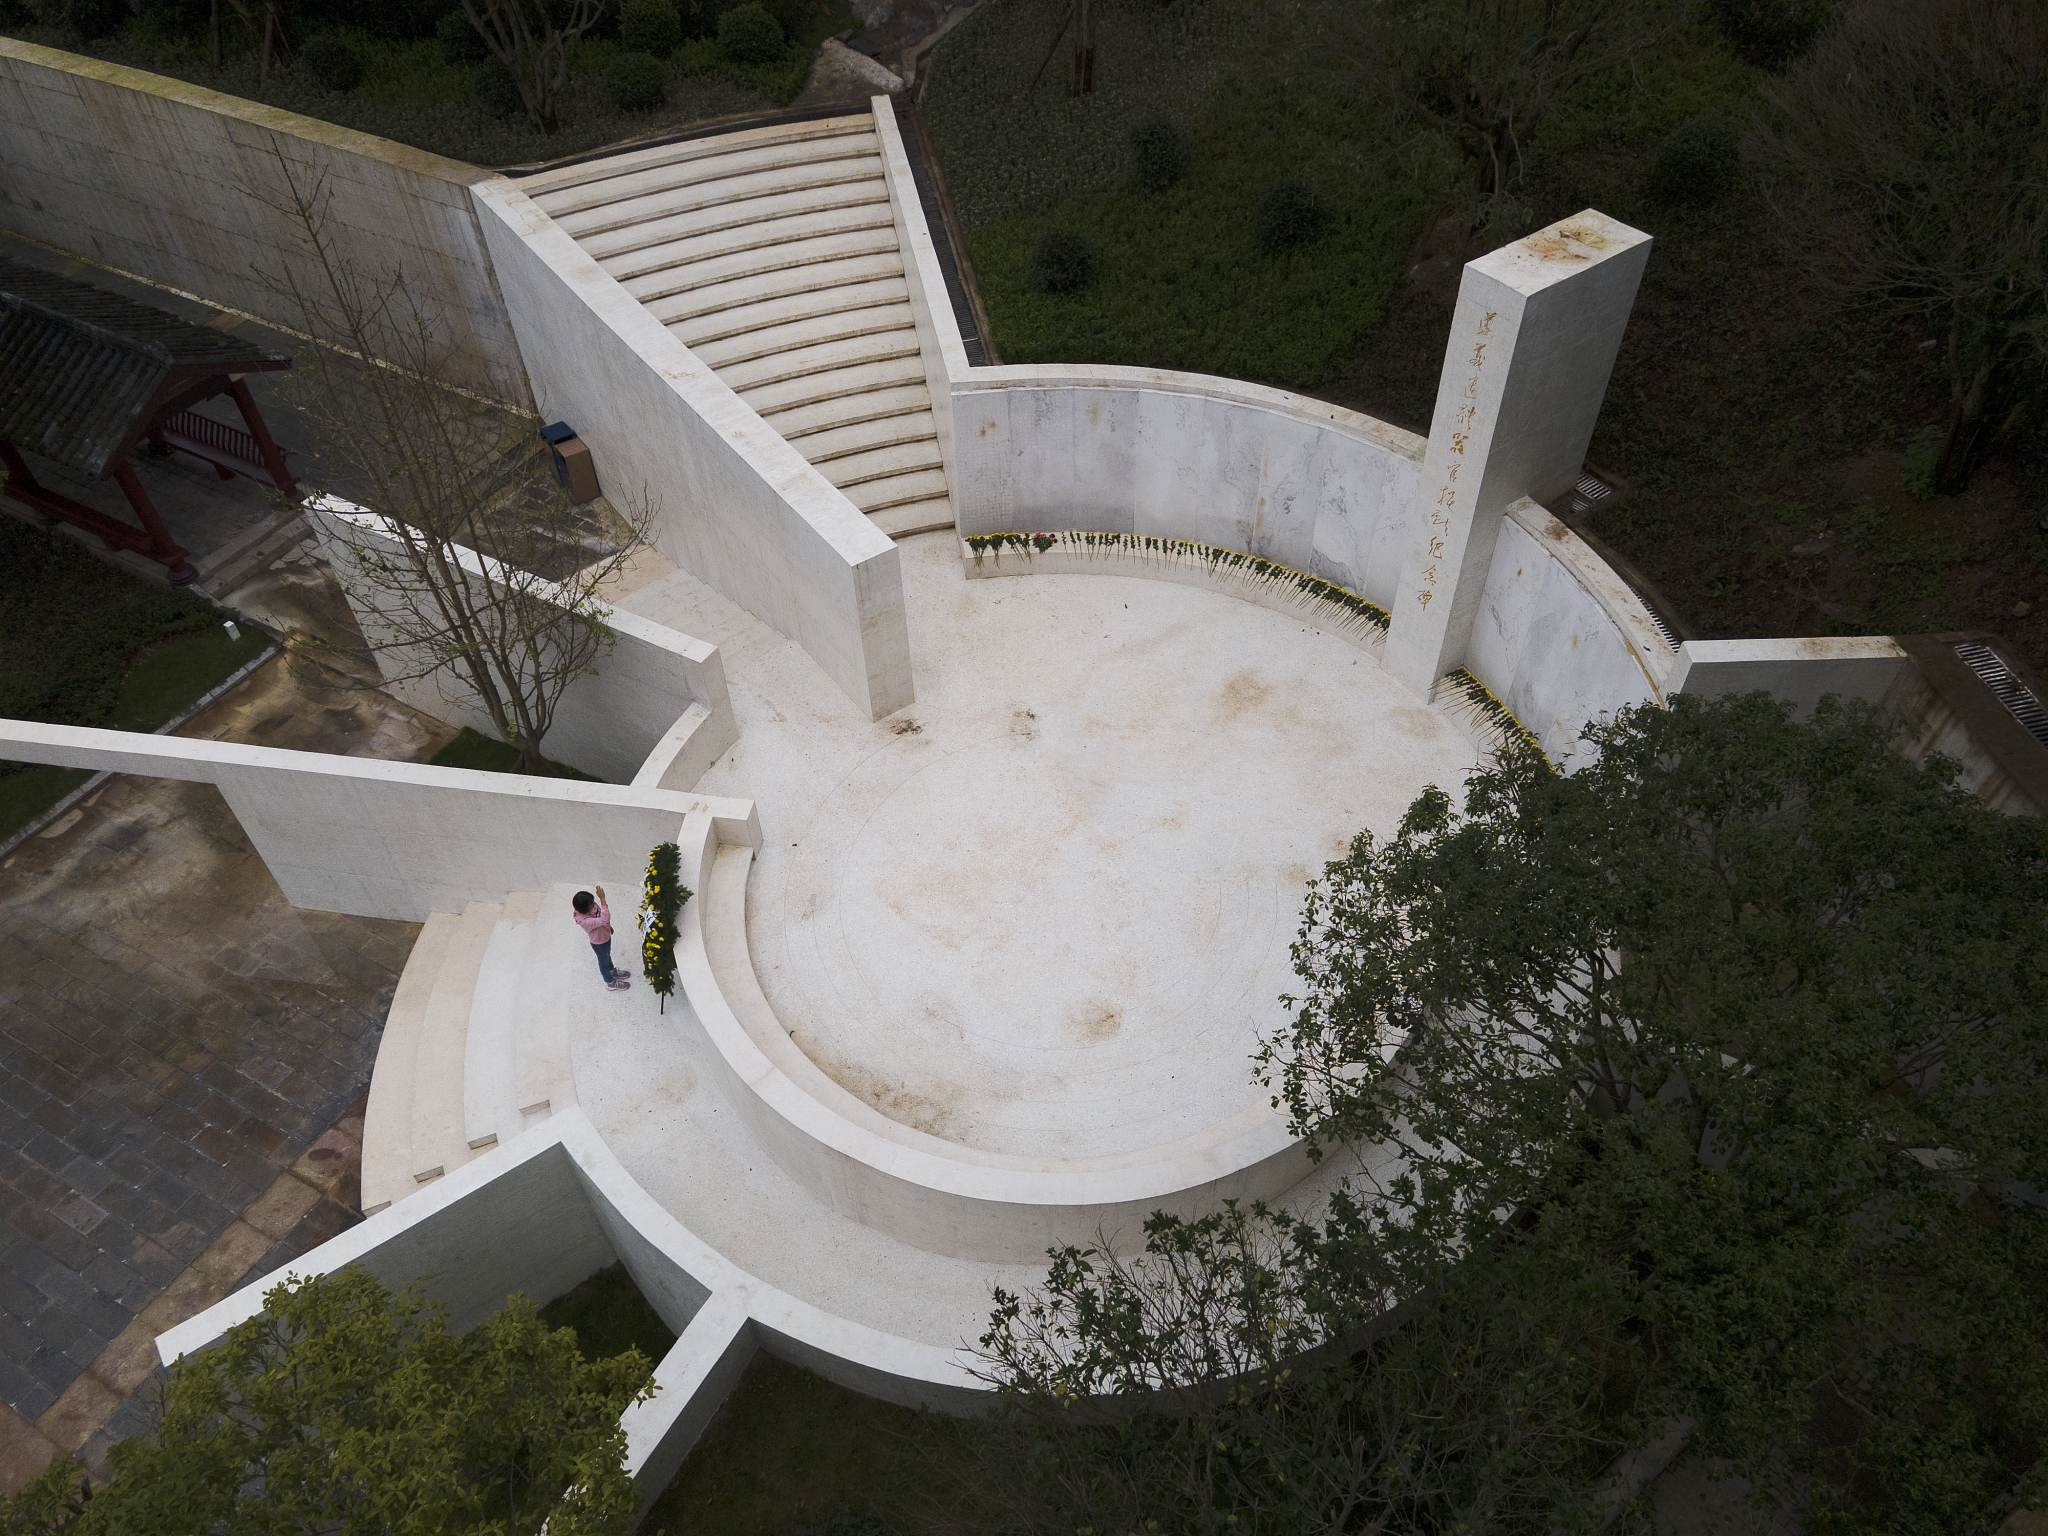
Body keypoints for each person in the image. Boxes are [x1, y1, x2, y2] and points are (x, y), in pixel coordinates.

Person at [572, 886, 631, 991]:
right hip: (599, 942)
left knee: (607, 956)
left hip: (605, 936)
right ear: (585, 908)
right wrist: (603, 899)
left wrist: (608, 927)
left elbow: (602, 916)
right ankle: (610, 982)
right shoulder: (585, 921)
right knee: (603, 962)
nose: (594, 903)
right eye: (591, 903)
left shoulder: (592, 906)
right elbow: (604, 918)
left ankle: (612, 970)